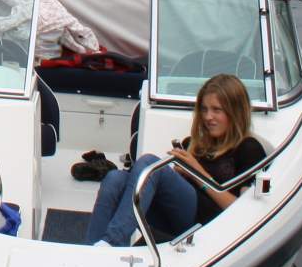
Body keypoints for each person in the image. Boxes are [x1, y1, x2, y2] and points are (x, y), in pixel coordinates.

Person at [85, 74, 268, 247]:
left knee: (150, 163)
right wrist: (179, 174)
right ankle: (94, 252)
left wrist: (197, 174)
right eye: (204, 109)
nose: (207, 117)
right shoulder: (193, 144)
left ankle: (112, 241)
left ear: (235, 112)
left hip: (211, 223)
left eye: (216, 110)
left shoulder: (248, 149)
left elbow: (244, 212)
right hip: (178, 218)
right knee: (115, 178)